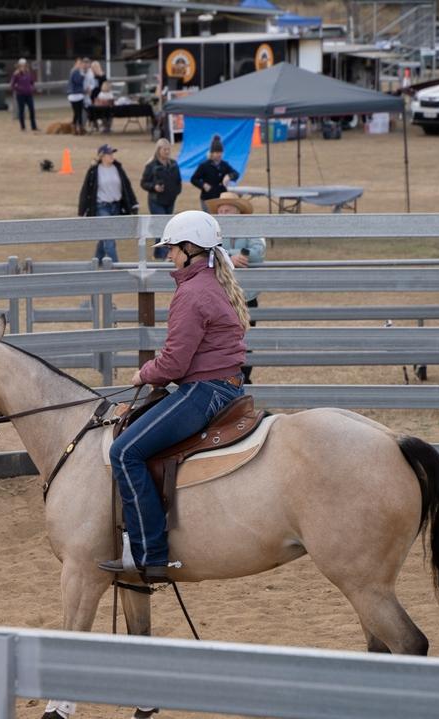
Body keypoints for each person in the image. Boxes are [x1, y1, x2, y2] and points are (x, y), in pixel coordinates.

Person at [98, 210, 249, 582]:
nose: (168, 255)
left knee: (125, 452)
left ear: (188, 248)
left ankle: (151, 554)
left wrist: (143, 374)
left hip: (204, 390)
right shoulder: (211, 283)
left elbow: (174, 364)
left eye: (171, 249)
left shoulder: (192, 293)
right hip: (224, 385)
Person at [207, 192, 266, 384]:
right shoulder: (211, 233)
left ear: (238, 212)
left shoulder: (251, 229)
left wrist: (228, 256)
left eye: (228, 210)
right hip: (221, 296)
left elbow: (258, 252)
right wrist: (230, 257)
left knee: (247, 340)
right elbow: (209, 251)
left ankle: (244, 379)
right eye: (221, 211)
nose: (224, 214)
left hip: (246, 295)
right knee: (222, 338)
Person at [78, 144, 139, 264]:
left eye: (112, 153)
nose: (112, 156)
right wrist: (82, 210)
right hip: (102, 207)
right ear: (102, 156)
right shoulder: (94, 171)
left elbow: (127, 187)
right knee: (109, 238)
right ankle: (116, 265)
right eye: (109, 154)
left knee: (105, 237)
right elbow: (86, 190)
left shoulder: (118, 168)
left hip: (116, 206)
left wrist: (133, 204)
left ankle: (96, 261)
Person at [141, 139, 182, 259]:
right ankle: (163, 254)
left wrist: (176, 191)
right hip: (156, 200)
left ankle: (158, 252)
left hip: (170, 200)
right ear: (159, 150)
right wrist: (154, 187)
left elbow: (178, 180)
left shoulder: (174, 164)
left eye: (168, 149)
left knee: (166, 226)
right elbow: (144, 183)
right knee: (162, 225)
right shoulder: (151, 165)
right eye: (165, 149)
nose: (167, 151)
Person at [190, 134, 239, 203]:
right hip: (207, 199)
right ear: (212, 153)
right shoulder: (204, 165)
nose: (219, 154)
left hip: (222, 197)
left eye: (221, 152)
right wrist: (203, 185)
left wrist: (229, 176)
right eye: (217, 152)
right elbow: (193, 179)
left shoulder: (224, 164)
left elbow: (236, 174)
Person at [10, 58, 38, 132]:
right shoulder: (16, 74)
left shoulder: (28, 73)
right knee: (21, 111)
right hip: (20, 95)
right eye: (21, 65)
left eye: (24, 65)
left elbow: (32, 82)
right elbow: (12, 85)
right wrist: (18, 89)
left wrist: (31, 88)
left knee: (32, 110)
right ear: (19, 66)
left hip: (29, 94)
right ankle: (23, 127)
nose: (23, 67)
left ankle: (34, 126)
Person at [66, 58, 89, 134]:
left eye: (81, 63)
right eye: (79, 63)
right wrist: (83, 75)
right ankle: (77, 127)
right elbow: (78, 81)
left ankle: (77, 127)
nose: (80, 65)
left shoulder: (77, 71)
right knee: (77, 112)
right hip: (75, 95)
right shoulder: (75, 71)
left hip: (78, 94)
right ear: (75, 64)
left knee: (78, 112)